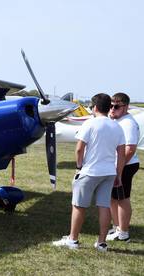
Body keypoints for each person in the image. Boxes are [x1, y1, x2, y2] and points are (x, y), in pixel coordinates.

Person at [52, 93, 125, 252]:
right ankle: (101, 243)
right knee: (104, 206)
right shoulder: (117, 126)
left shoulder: (89, 123)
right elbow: (121, 154)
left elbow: (79, 149)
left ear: (95, 107)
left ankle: (73, 239)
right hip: (109, 172)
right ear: (108, 107)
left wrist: (79, 166)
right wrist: (118, 175)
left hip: (90, 170)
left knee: (79, 205)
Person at [107, 92, 139, 242]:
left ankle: (124, 233)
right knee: (113, 198)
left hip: (125, 165)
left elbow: (130, 149)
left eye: (116, 107)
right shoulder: (117, 120)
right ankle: (117, 227)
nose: (112, 109)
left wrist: (118, 170)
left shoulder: (128, 123)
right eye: (110, 106)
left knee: (122, 198)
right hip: (117, 165)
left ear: (125, 107)